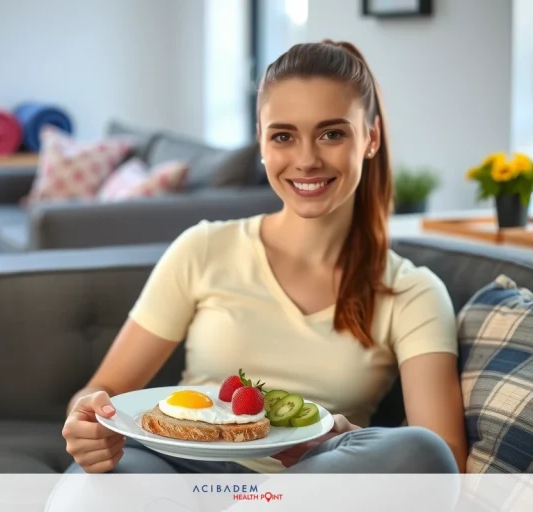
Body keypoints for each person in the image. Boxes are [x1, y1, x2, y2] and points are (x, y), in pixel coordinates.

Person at [61, 39, 467, 475]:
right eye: (283, 136)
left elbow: (442, 458)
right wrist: (85, 421)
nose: (307, 160)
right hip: (174, 468)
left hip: (308, 487)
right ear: (261, 142)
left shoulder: (413, 292)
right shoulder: (204, 248)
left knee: (424, 453)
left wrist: (340, 444)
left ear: (371, 138)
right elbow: (104, 389)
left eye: (332, 134)